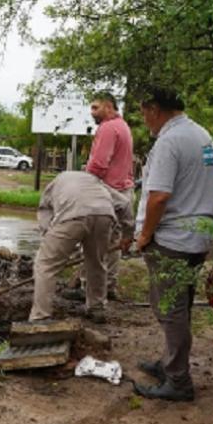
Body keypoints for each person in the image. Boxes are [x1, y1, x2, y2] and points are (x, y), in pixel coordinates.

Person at [133, 87, 213, 402]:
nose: (144, 120)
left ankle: (178, 381)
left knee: (170, 309)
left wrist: (144, 236)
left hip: (172, 239)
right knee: (179, 307)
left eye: (144, 113)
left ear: (155, 109)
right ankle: (171, 363)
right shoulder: (201, 135)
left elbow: (159, 196)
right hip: (196, 238)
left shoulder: (170, 141)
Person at [29, 171, 134, 322]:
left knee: (45, 264)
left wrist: (53, 244)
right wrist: (128, 235)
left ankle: (40, 316)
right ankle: (96, 308)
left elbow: (45, 215)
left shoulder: (55, 184)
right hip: (103, 215)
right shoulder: (96, 182)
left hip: (72, 215)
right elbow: (125, 203)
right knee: (97, 263)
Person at [86, 92, 134, 303]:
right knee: (113, 241)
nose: (92, 112)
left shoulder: (107, 128)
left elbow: (98, 164)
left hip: (108, 192)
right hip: (123, 191)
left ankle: (94, 289)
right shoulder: (122, 126)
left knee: (96, 241)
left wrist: (84, 185)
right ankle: (109, 284)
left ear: (108, 106)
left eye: (95, 108)